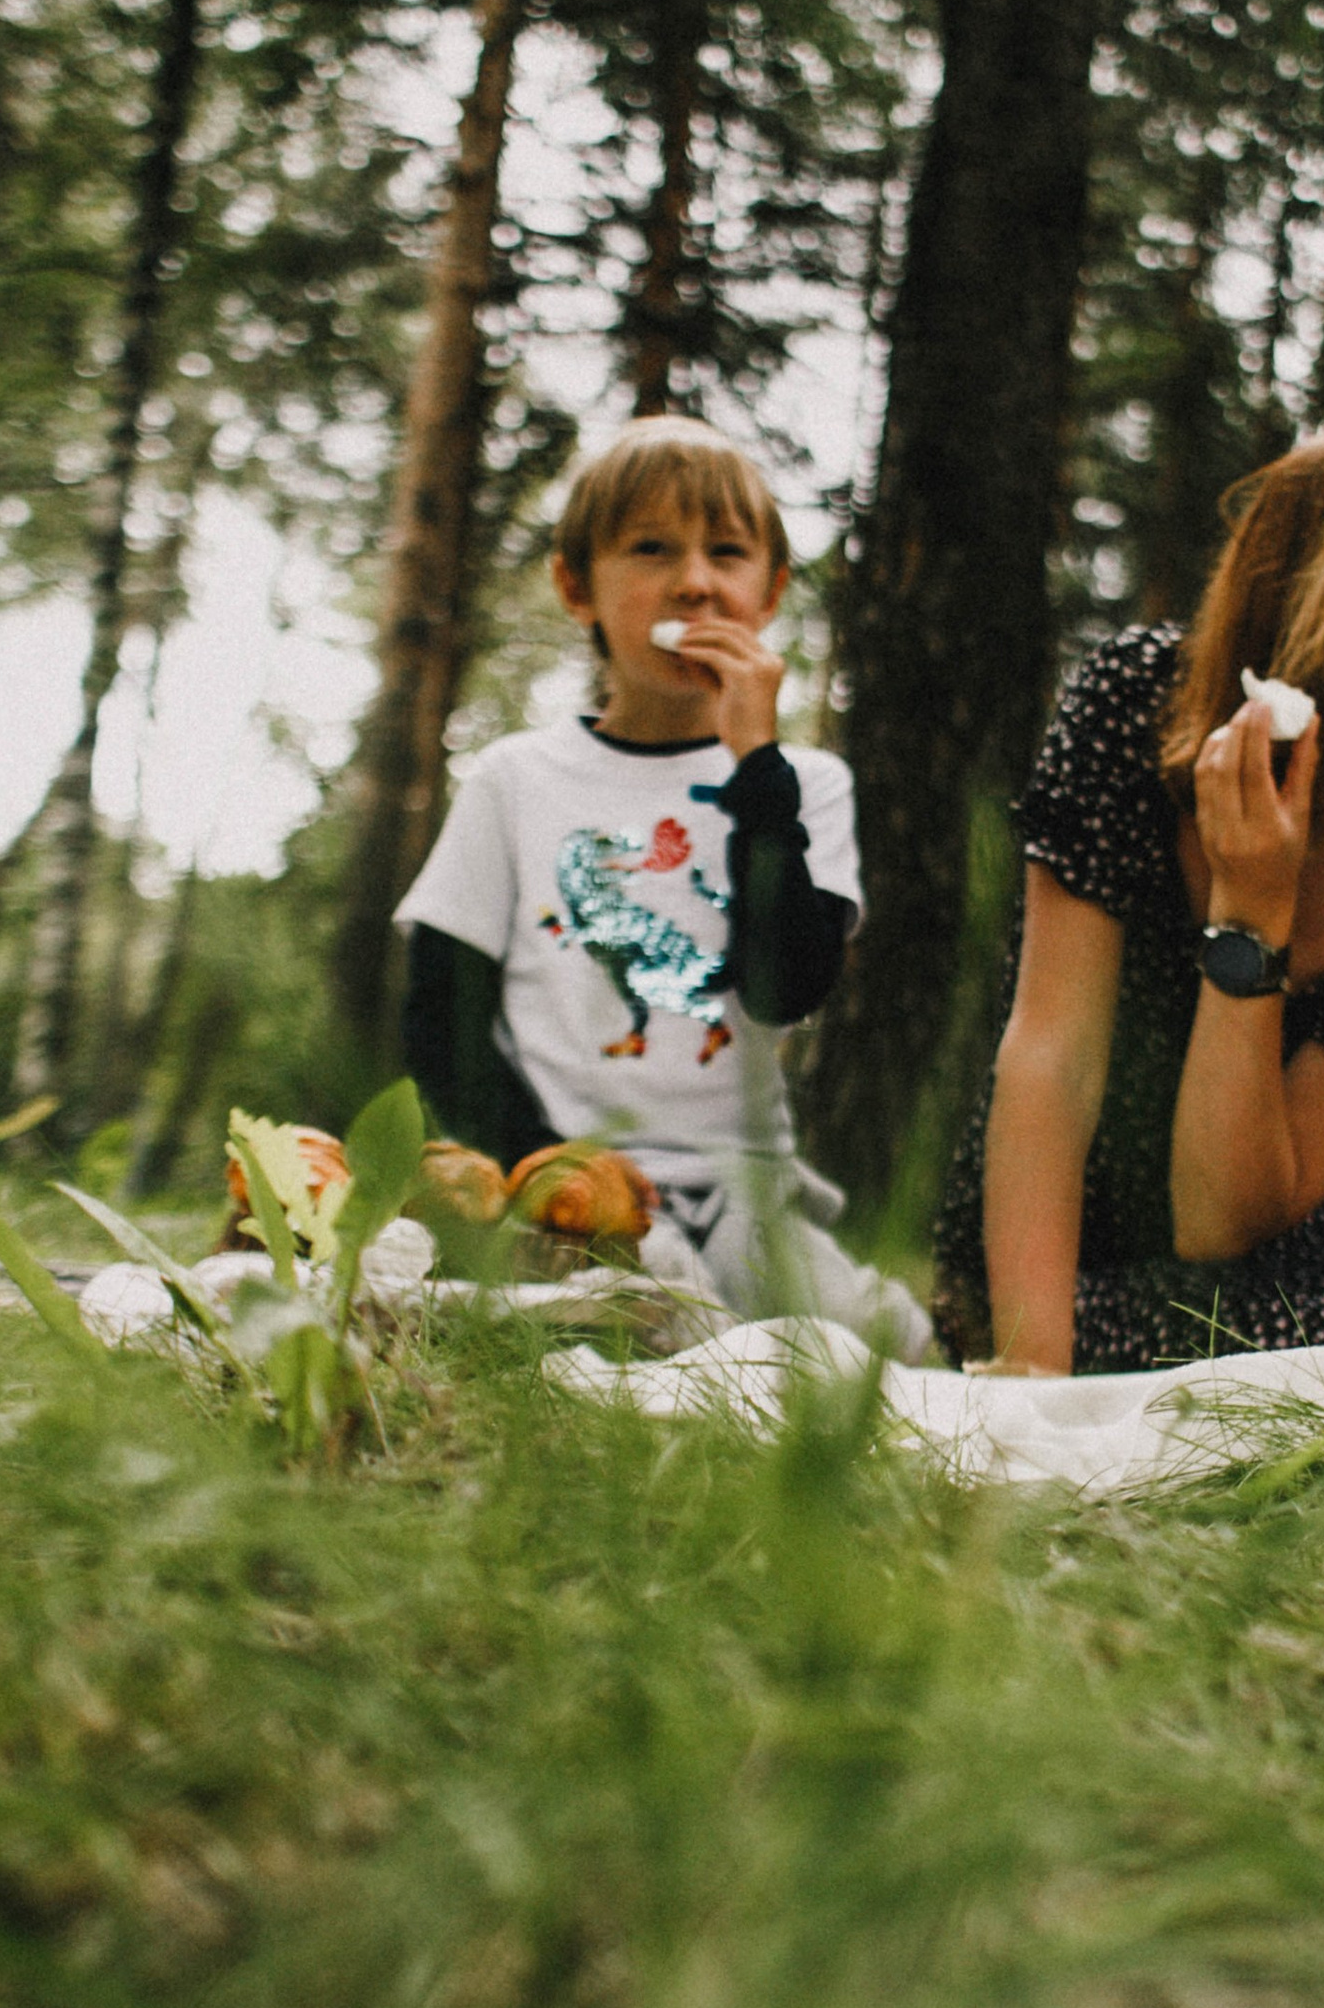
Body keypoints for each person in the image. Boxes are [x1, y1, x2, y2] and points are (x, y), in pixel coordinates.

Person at [933, 418, 1324, 1375]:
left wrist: (1252, 918)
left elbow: (1222, 1221)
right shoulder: (1141, 703)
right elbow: (1053, 1058)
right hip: (1044, 1236)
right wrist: (1029, 1380)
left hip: (1281, 1280)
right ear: (1316, 559)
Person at [397, 420, 929, 1353]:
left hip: (749, 1193)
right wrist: (545, 1167)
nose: (694, 581)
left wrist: (756, 764)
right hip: (568, 1186)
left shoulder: (804, 785)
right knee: (654, 1327)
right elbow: (441, 1024)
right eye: (651, 550)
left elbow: (785, 986)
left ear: (769, 592)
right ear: (577, 588)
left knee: (871, 1349)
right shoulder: (516, 781)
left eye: (727, 553)